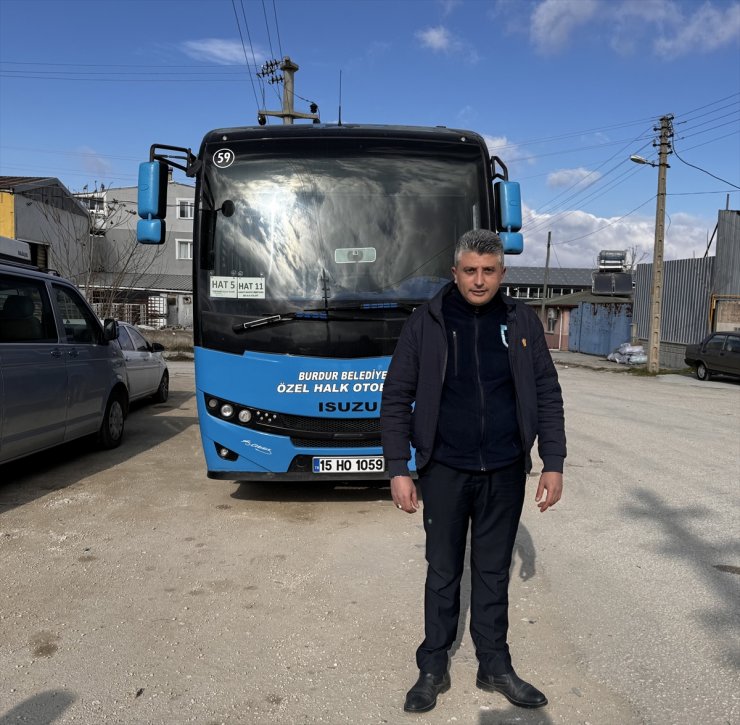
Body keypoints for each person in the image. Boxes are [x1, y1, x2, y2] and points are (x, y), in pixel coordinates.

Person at [380, 229, 566, 713]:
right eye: (470, 271)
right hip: (444, 468)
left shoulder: (522, 320)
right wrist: (399, 467)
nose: (479, 280)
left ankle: (494, 665)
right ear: (455, 273)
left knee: (492, 571)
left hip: (504, 469)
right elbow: (396, 396)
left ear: (502, 274)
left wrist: (554, 462)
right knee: (442, 571)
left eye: (489, 271)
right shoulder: (429, 322)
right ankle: (432, 666)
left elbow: (547, 392)